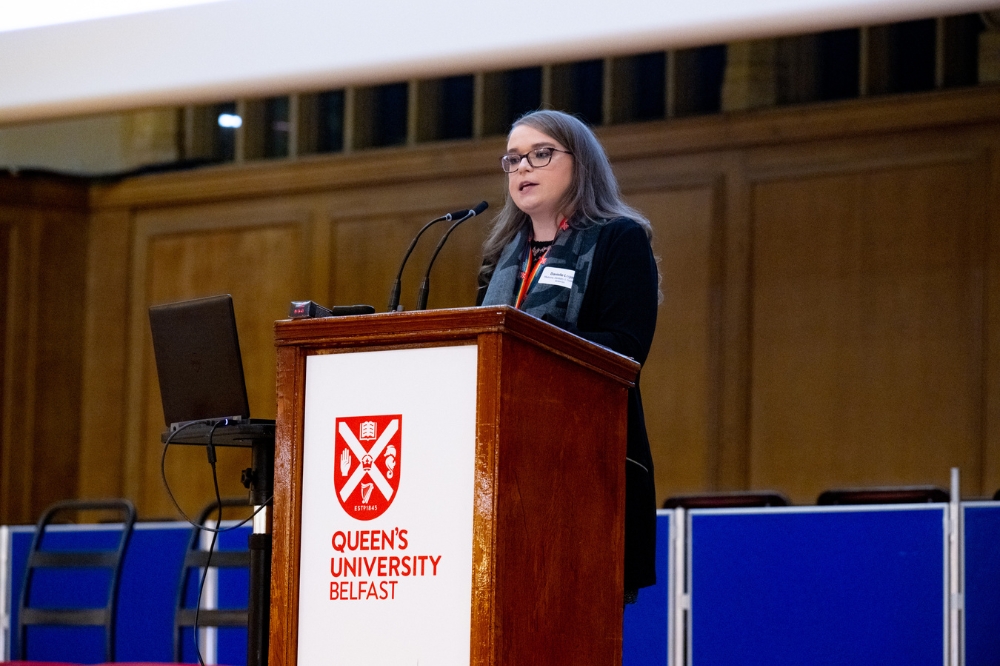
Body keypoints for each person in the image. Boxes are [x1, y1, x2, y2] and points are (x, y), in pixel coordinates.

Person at [477, 109, 659, 602]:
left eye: (541, 154)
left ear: (582, 164)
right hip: (502, 478)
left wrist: (534, 340)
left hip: (587, 472)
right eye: (513, 159)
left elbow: (625, 348)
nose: (523, 169)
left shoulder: (619, 240)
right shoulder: (500, 259)